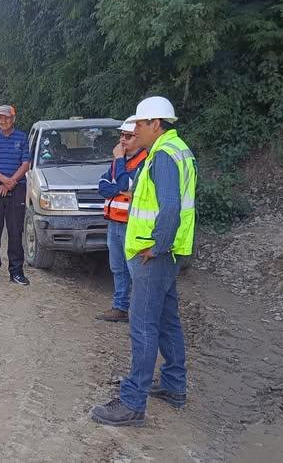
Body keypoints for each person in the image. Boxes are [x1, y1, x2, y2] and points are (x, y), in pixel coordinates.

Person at [91, 96, 197, 426]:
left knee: (142, 325)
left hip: (155, 256)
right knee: (166, 320)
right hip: (170, 254)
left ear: (156, 123)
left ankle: (132, 403)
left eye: (139, 123)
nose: (135, 129)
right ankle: (174, 385)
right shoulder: (178, 149)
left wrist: (156, 247)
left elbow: (169, 208)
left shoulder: (163, 155)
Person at [95, 117, 147, 322]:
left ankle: (139, 312)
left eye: (128, 136)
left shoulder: (144, 161)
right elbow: (102, 186)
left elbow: (126, 185)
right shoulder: (121, 161)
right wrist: (120, 186)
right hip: (114, 222)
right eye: (121, 135)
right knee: (118, 268)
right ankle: (120, 307)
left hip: (132, 224)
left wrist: (119, 166)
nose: (122, 140)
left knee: (135, 270)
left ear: (139, 137)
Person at [0, 105, 31, 285]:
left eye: (7, 117)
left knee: (16, 231)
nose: (3, 121)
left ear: (13, 118)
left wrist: (10, 183)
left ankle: (16, 272)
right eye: (0, 117)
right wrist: (4, 181)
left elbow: (26, 163)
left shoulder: (22, 137)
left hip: (17, 188)